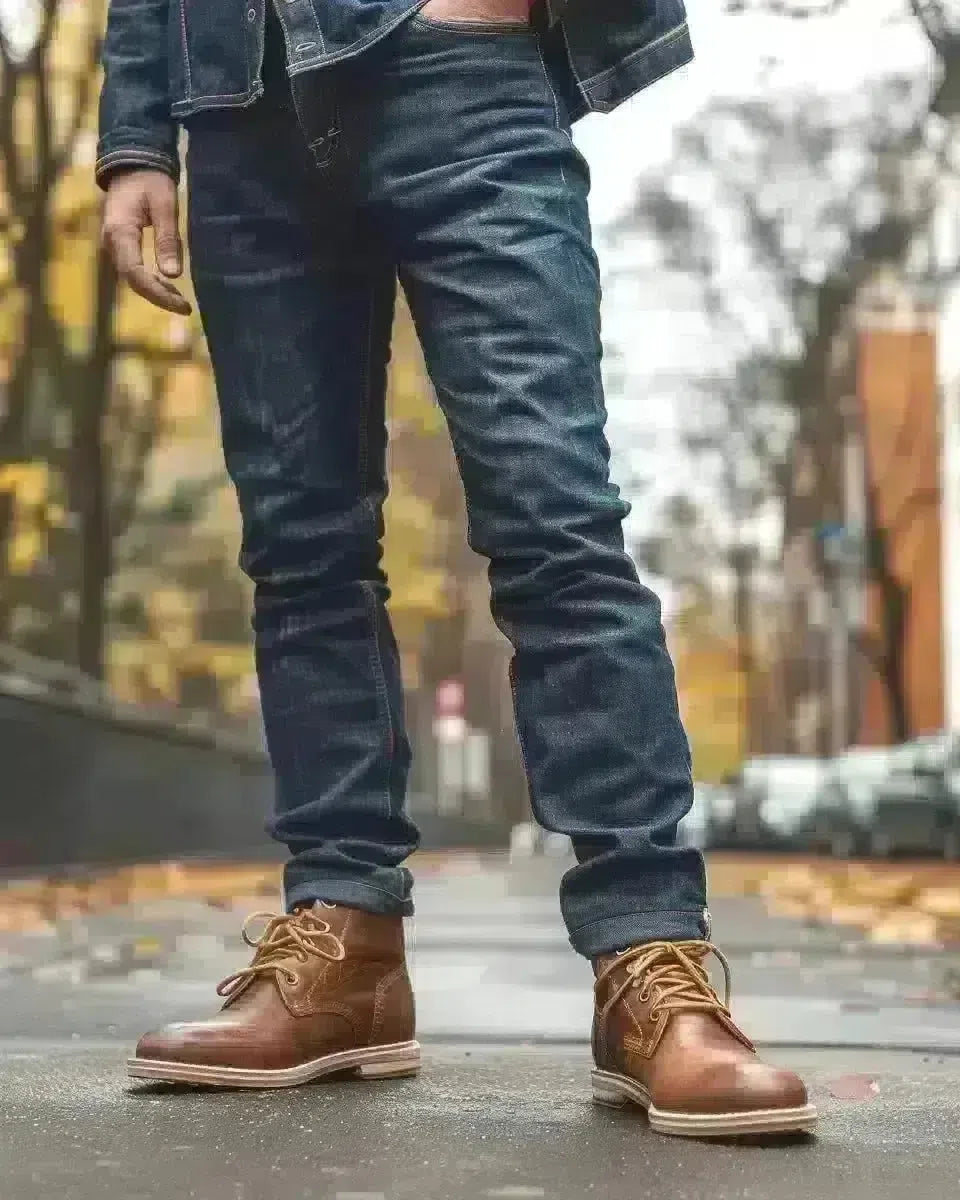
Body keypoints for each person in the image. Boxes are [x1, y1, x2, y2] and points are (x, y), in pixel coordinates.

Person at [98, 0, 816, 1138]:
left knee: (555, 520)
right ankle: (345, 950)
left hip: (466, 73)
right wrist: (134, 137)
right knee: (301, 548)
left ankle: (649, 960)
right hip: (239, 96)